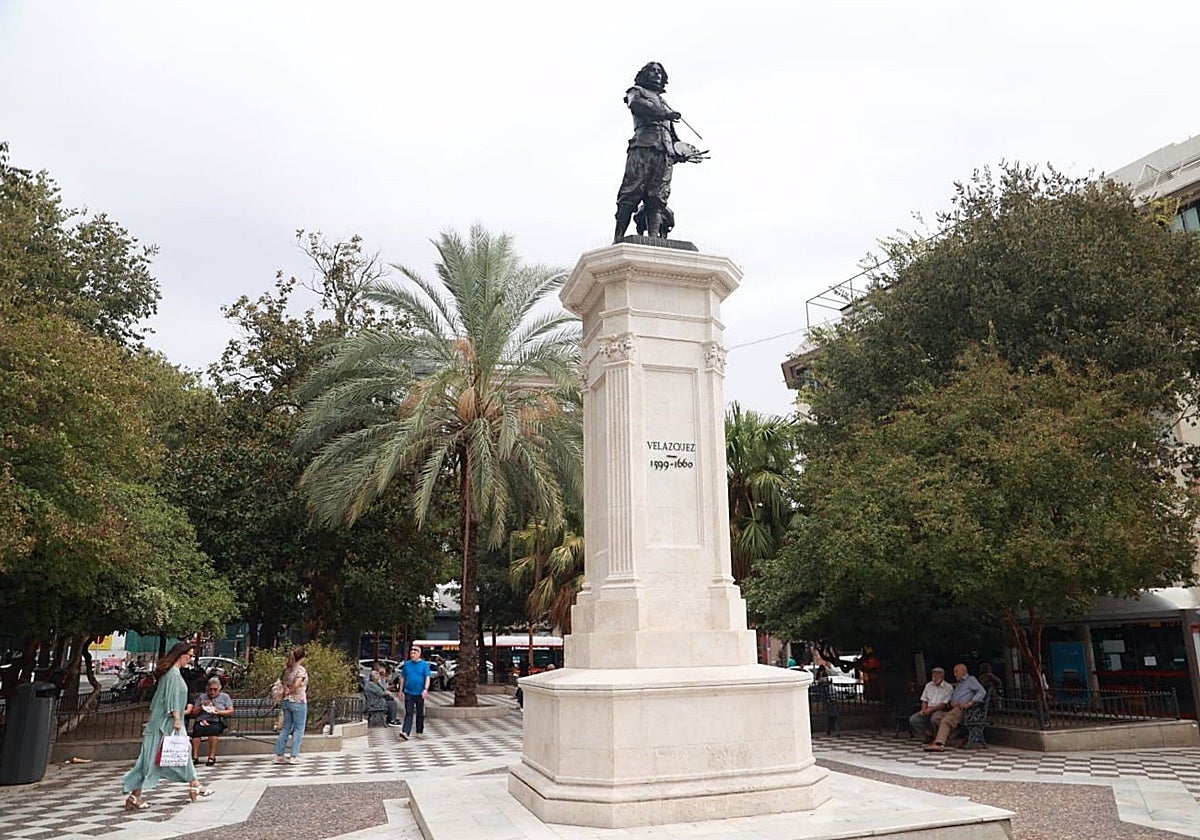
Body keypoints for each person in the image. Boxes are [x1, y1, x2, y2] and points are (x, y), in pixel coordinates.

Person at [121, 641, 212, 810]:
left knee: (179, 752)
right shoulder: (173, 675)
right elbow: (171, 701)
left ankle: (195, 784)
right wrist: (178, 718)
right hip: (166, 724)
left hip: (166, 722)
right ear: (181, 655)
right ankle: (136, 794)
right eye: (190, 656)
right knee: (151, 760)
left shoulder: (172, 674)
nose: (190, 659)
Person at [614, 61, 688, 242]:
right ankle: (618, 237)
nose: (656, 74)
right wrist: (664, 113)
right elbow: (636, 105)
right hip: (643, 147)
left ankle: (654, 238)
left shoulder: (664, 102)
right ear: (644, 74)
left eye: (659, 72)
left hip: (665, 152)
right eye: (652, 71)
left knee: (659, 195)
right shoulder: (636, 91)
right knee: (631, 191)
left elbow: (672, 134)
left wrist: (681, 152)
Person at [925, 662, 988, 752]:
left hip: (964, 710)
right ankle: (954, 739)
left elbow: (982, 692)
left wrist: (970, 703)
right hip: (954, 708)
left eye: (956, 671)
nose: (954, 674)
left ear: (963, 671)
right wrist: (951, 702)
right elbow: (952, 697)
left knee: (946, 720)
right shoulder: (960, 684)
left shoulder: (971, 680)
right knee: (936, 718)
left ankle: (939, 744)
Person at [273, 646, 308, 764]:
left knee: (286, 727)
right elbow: (298, 684)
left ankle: (279, 754)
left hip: (286, 701)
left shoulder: (288, 668)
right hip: (298, 701)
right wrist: (292, 690)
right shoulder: (300, 670)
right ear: (302, 657)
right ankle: (294, 755)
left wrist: (286, 692)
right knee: (298, 729)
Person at [190, 676, 234, 766]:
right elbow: (193, 713)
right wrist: (201, 707)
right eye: (210, 689)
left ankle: (211, 756)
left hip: (216, 720)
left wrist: (219, 712)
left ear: (219, 688)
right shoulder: (202, 697)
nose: (212, 692)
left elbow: (230, 711)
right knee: (197, 730)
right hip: (202, 720)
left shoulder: (224, 697)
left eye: (215, 689)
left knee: (213, 731)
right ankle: (195, 757)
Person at [908, 667, 953, 741]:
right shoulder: (928, 685)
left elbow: (944, 704)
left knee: (934, 718)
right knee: (914, 719)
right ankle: (927, 735)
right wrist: (923, 709)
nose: (934, 677)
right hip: (928, 708)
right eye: (933, 674)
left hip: (940, 709)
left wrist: (932, 709)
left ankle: (937, 737)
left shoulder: (948, 687)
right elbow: (924, 699)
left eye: (937, 674)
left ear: (942, 675)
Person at [398, 644, 431, 741]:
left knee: (420, 713)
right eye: (411, 652)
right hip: (409, 692)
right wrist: (401, 690)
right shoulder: (407, 665)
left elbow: (427, 677)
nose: (412, 654)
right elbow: (402, 677)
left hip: (420, 693)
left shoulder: (424, 665)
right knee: (409, 712)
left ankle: (419, 730)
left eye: (415, 652)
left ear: (419, 654)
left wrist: (425, 689)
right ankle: (405, 732)